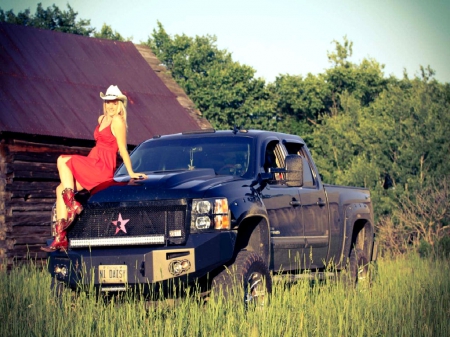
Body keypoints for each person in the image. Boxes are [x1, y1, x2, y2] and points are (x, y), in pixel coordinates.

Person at [41, 85, 147, 252]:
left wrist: (131, 172)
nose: (110, 106)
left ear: (119, 104)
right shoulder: (101, 119)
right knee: (60, 188)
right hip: (93, 161)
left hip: (102, 167)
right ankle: (60, 237)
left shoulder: (118, 121)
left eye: (113, 103)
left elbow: (122, 149)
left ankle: (72, 203)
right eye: (107, 102)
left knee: (63, 159)